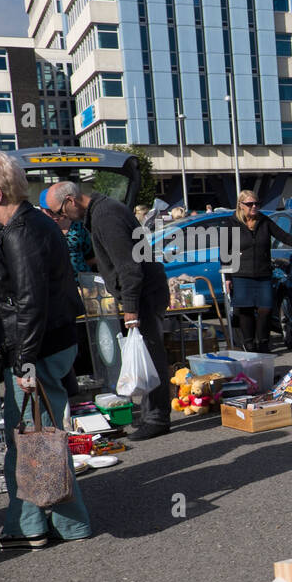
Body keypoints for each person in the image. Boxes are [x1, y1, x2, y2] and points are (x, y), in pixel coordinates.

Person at [0, 147, 91, 549]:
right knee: (39, 437)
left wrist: (24, 361)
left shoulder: (21, 231)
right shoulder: (31, 225)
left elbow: (30, 300)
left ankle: (32, 526)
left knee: (31, 441)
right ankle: (48, 523)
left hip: (36, 348)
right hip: (48, 343)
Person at [50, 180, 173, 440]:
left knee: (150, 354)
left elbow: (130, 268)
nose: (62, 218)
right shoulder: (102, 212)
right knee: (148, 353)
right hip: (145, 291)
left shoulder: (106, 216)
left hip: (144, 294)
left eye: (61, 212)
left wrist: (130, 308)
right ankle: (152, 413)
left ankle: (157, 417)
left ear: (71, 200)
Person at [225, 190, 292, 353]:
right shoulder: (232, 223)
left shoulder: (264, 221)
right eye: (249, 204)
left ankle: (263, 344)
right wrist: (227, 277)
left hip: (263, 274)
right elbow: (225, 252)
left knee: (265, 309)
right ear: (240, 205)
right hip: (241, 274)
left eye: (256, 203)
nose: (254, 207)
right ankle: (249, 345)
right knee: (245, 310)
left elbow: (284, 236)